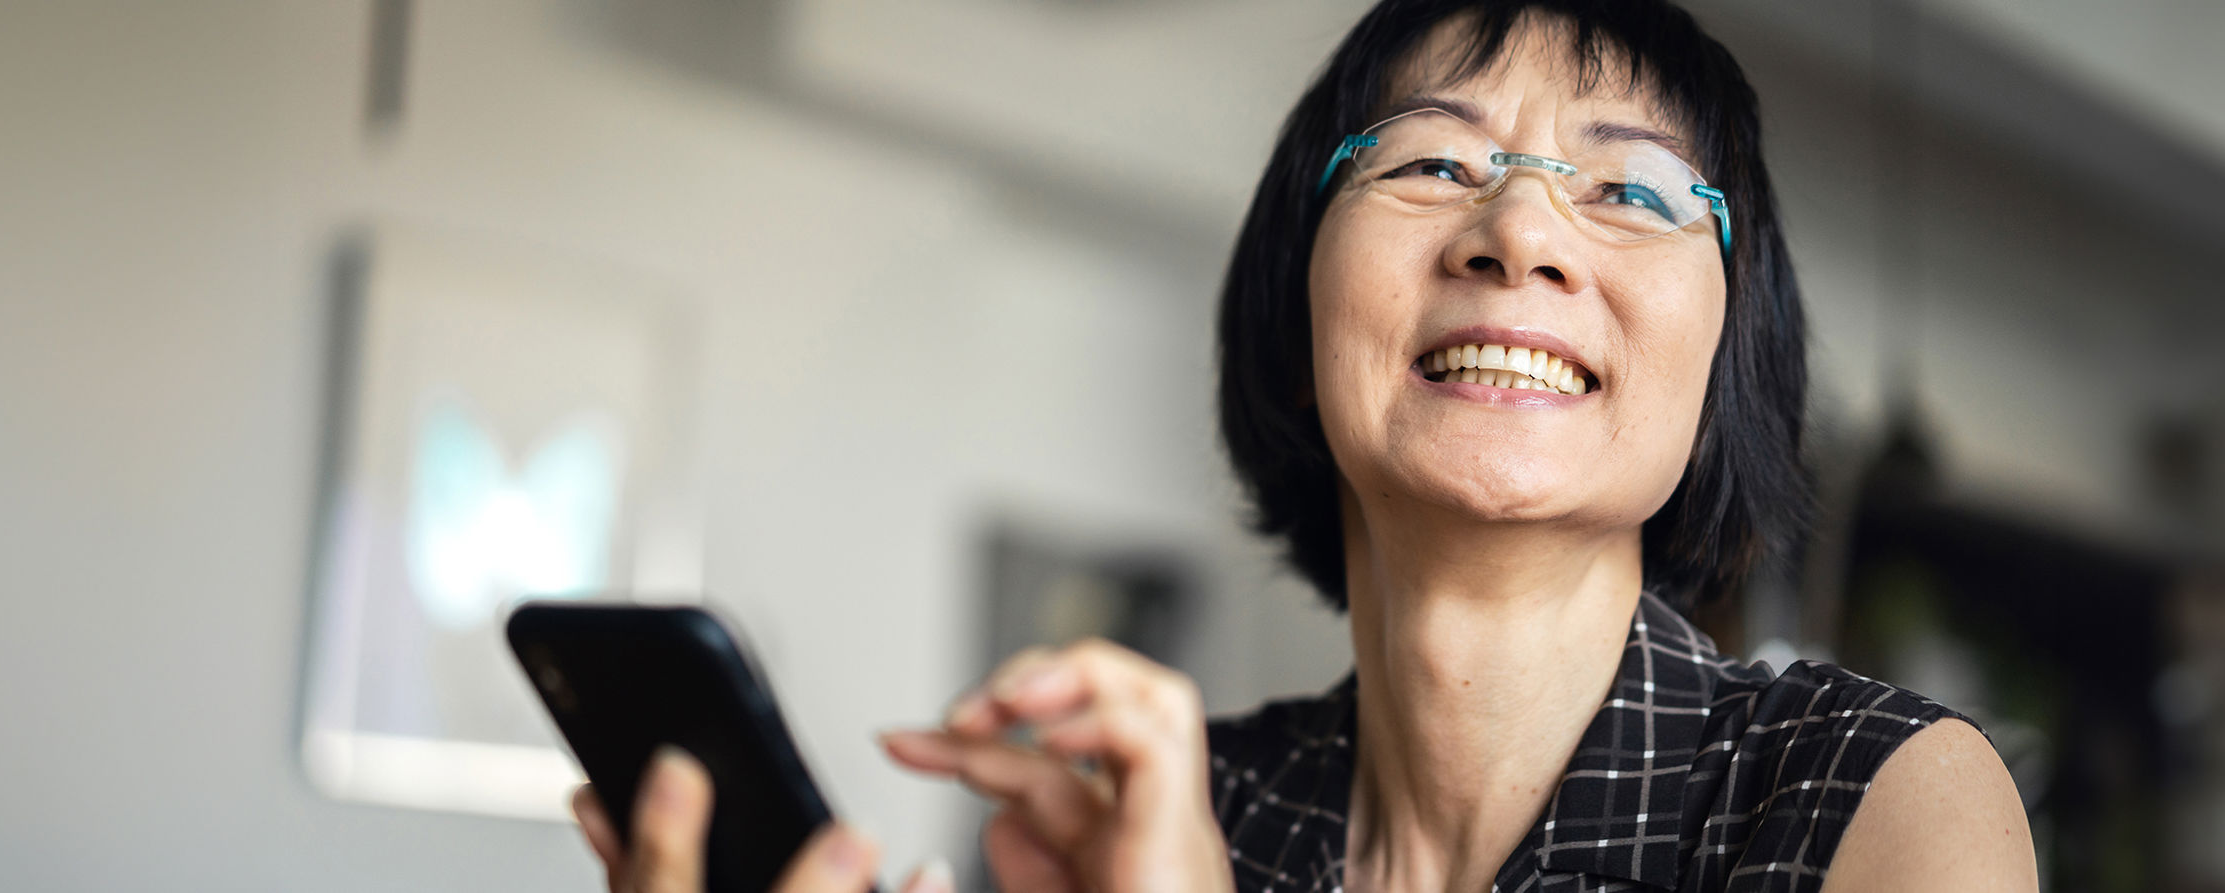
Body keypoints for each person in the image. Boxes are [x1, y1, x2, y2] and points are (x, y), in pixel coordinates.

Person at [571, 1, 2037, 890]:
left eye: (1634, 193)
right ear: (1297, 299)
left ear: (1729, 356)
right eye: (1434, 161)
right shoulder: (1165, 809)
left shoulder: (1875, 794)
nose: (1518, 231)